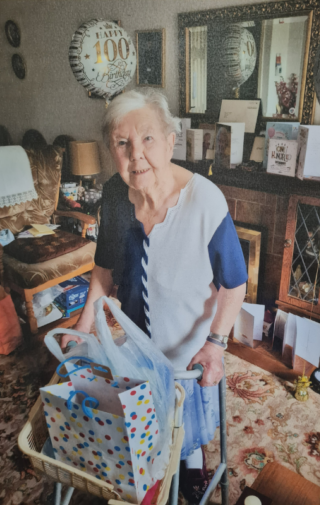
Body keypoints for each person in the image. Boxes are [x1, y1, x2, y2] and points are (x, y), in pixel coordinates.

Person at [63, 88, 247, 502]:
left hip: (190, 355)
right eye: (122, 143)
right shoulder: (113, 196)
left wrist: (216, 344)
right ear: (112, 150)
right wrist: (82, 327)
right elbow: (105, 270)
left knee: (190, 433)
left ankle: (194, 466)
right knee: (145, 432)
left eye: (147, 138)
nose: (136, 155)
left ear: (170, 140)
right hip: (138, 350)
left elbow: (235, 285)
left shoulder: (204, 200)